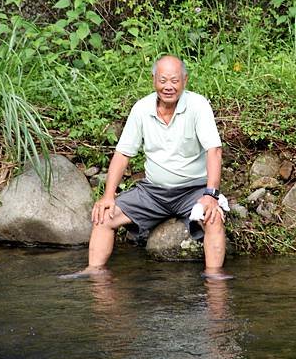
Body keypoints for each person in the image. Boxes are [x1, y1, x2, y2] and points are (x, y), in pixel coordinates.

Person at [82, 55, 231, 280]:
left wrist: (211, 194)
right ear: (154, 80)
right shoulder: (141, 109)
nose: (168, 86)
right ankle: (94, 274)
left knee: (213, 217)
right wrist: (108, 196)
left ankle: (214, 280)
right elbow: (123, 154)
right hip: (153, 192)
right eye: (162, 80)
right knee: (105, 216)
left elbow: (214, 150)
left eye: (174, 80)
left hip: (193, 189)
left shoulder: (198, 105)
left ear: (184, 80)